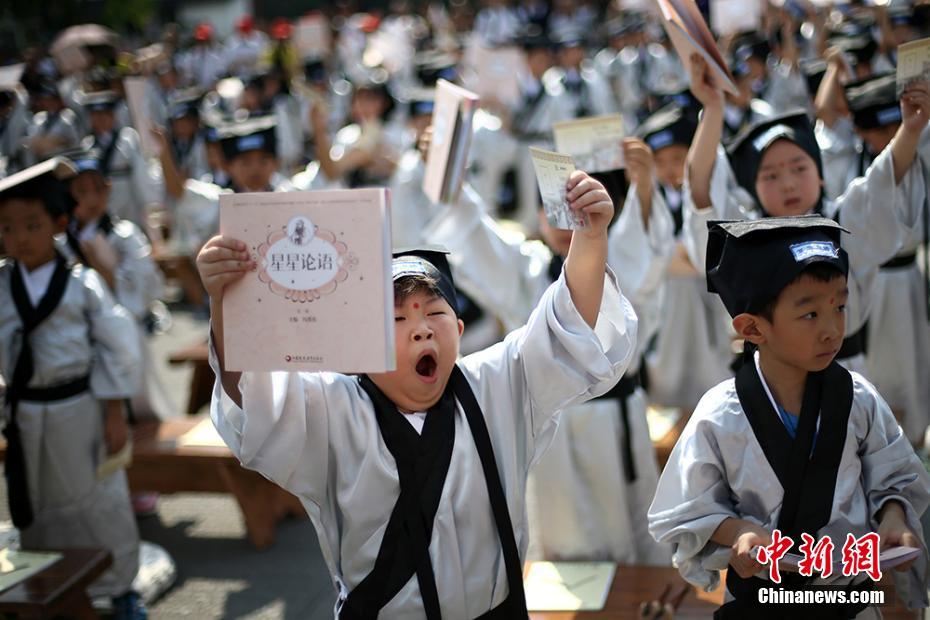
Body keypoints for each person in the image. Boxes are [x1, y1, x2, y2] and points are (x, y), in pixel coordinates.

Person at [199, 172, 639, 616]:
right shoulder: (333, 410)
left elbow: (567, 329)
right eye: (396, 320)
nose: (421, 328)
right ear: (361, 346)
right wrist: (226, 300)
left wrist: (590, 237)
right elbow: (253, 401)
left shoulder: (498, 385)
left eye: (435, 312)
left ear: (461, 331)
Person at [648, 215, 930, 617]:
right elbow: (687, 510)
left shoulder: (859, 398)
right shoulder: (719, 414)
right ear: (752, 328)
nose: (833, 329)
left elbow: (894, 480)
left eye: (840, 305)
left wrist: (893, 517)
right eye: (810, 314)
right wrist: (739, 533)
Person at [421, 136, 672, 564]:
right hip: (548, 426)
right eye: (552, 206)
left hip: (612, 421)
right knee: (562, 547)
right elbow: (473, 228)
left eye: (578, 204)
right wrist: (444, 168)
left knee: (627, 538)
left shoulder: (621, 261)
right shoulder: (529, 267)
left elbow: (646, 247)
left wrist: (644, 186)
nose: (563, 219)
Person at [682, 55, 930, 375]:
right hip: (770, 380)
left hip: (844, 371)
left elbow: (884, 179)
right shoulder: (747, 236)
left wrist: (910, 130)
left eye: (799, 168)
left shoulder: (842, 221)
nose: (788, 184)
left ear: (821, 175)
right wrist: (713, 108)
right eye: (770, 175)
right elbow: (701, 192)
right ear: (753, 189)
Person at [0, 158, 145, 618]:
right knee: (38, 507)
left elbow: (115, 346)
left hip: (78, 407)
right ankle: (47, 584)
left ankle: (120, 588)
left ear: (60, 224)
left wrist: (115, 412)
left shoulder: (81, 284)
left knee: (96, 501)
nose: (19, 237)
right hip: (25, 411)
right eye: (7, 227)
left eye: (31, 225)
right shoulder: (3, 284)